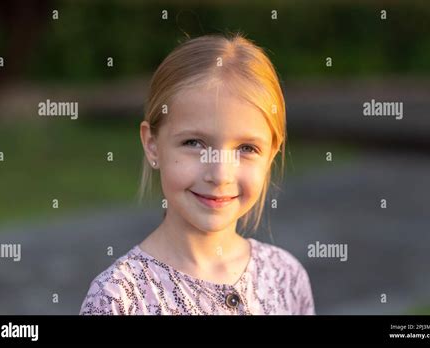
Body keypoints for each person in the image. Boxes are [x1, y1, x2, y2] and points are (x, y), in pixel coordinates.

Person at [80, 33, 315, 315]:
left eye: (246, 148)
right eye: (194, 143)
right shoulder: (119, 299)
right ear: (152, 145)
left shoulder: (285, 277)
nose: (220, 174)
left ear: (271, 154)